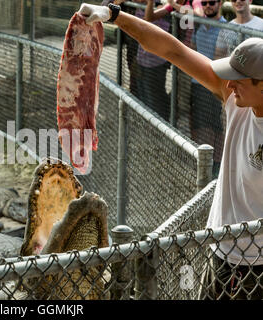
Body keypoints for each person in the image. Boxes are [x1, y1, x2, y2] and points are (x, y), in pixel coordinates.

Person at [78, 2, 263, 299]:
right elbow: (173, 50)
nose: (228, 83)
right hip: (219, 248)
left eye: (238, 78)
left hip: (255, 265)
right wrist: (115, 15)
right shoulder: (235, 99)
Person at [190, 0, 227, 176]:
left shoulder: (225, 27)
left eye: (212, 2)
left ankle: (215, 165)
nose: (208, 6)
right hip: (197, 83)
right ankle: (208, 162)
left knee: (213, 126)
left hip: (213, 84)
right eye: (204, 3)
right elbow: (193, 48)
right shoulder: (200, 26)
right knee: (202, 124)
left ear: (220, 3)